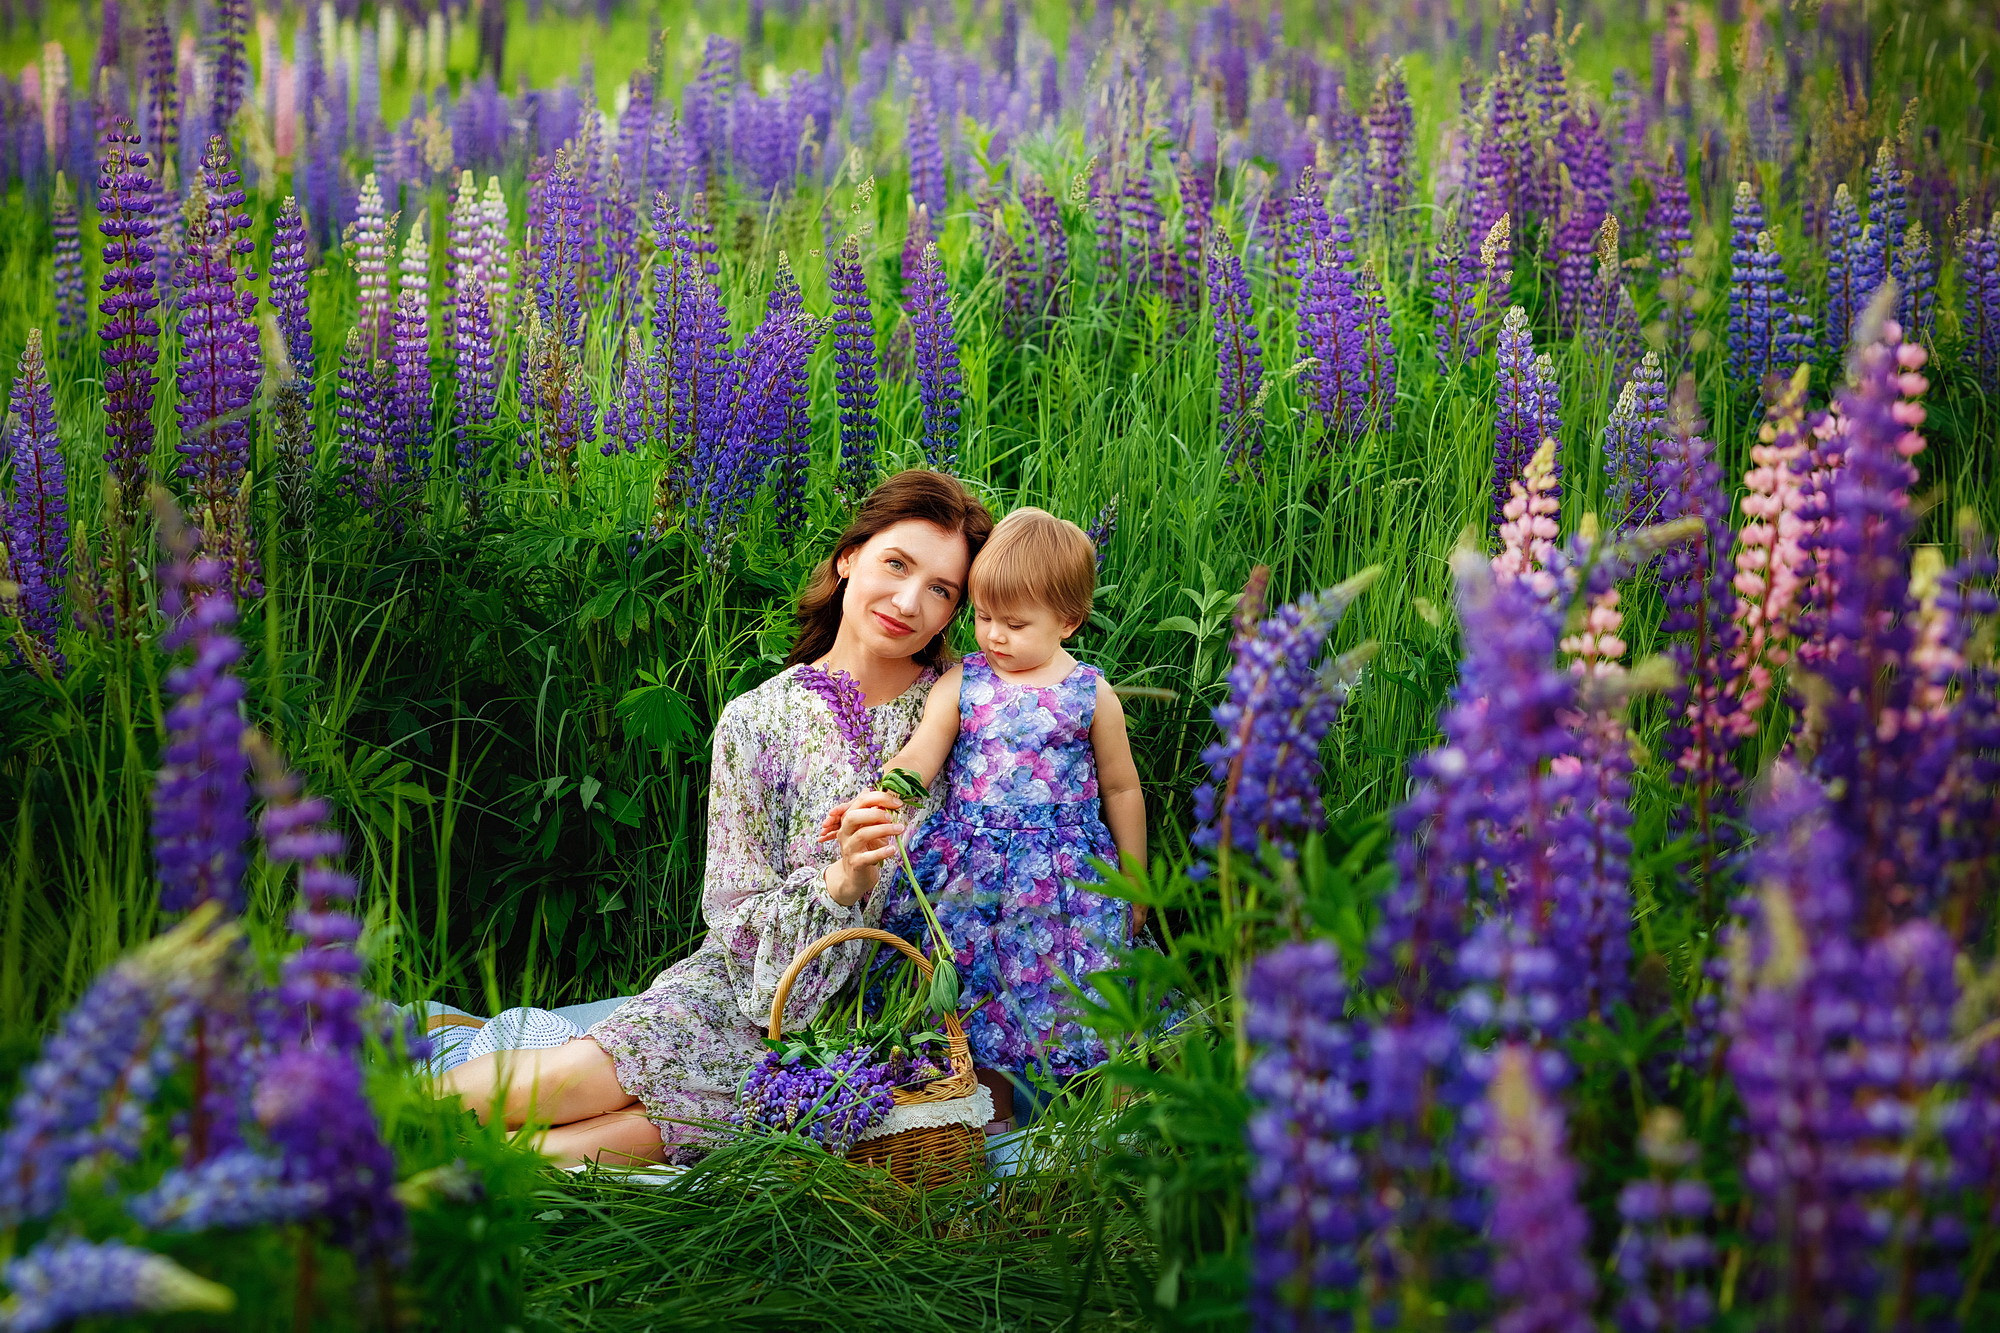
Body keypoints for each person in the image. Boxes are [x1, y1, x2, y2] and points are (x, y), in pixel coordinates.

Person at [436, 470, 994, 1166]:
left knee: (602, 1144)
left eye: (942, 589)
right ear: (850, 556)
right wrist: (838, 883)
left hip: (885, 1013)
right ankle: (359, 1121)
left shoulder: (968, 705)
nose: (910, 601)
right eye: (896, 564)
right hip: (747, 988)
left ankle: (439, 1180)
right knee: (574, 1080)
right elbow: (733, 911)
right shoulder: (760, 718)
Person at [823, 508, 1146, 1126]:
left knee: (1080, 989)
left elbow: (1122, 787)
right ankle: (985, 1126)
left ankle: (1105, 1124)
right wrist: (885, 792)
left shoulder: (1090, 692)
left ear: (1069, 623)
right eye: (984, 617)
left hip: (1064, 878)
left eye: (1015, 624)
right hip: (971, 873)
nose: (994, 636)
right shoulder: (963, 683)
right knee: (978, 1001)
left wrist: (1133, 875)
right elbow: (922, 753)